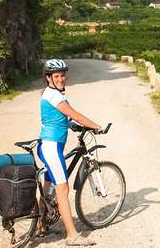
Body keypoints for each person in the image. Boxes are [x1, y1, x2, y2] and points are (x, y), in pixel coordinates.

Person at [38, 59, 102, 246]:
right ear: (48, 78)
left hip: (49, 145)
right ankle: (72, 235)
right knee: (62, 188)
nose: (60, 79)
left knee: (49, 184)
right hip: (51, 147)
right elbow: (75, 114)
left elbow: (59, 118)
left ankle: (42, 224)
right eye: (56, 76)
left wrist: (71, 125)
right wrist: (96, 126)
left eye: (62, 75)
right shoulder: (55, 96)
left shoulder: (51, 94)